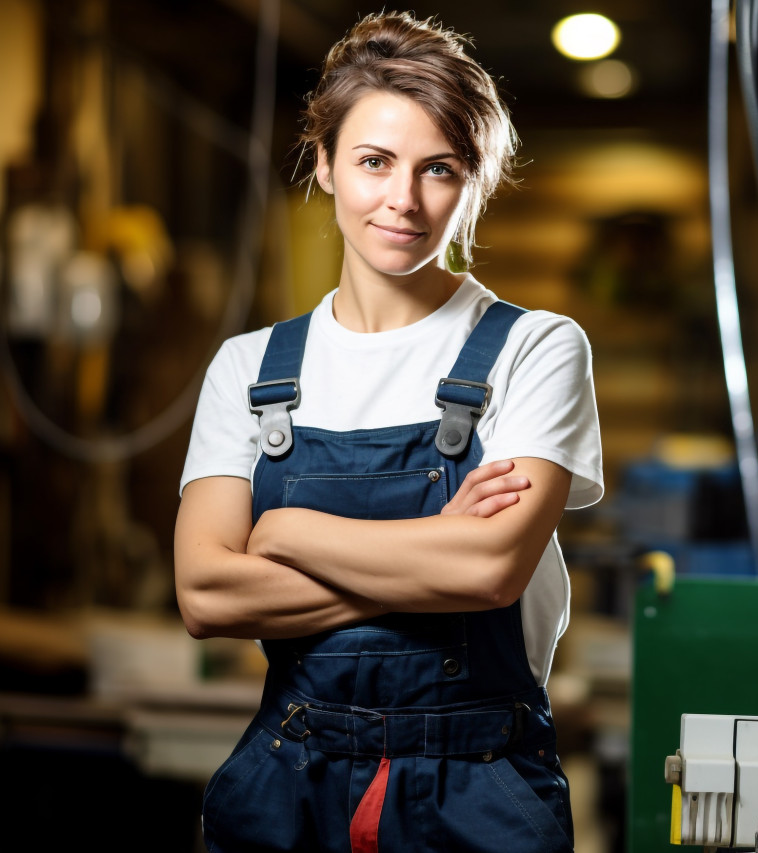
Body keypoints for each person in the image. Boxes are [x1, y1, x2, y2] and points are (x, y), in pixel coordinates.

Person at [173, 11, 603, 852]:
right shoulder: (250, 368)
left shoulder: (536, 347)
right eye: (374, 161)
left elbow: (489, 568)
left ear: (473, 182)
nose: (402, 200)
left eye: (437, 170)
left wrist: (287, 531)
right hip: (286, 783)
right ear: (326, 163)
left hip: (479, 788)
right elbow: (205, 594)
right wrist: (428, 550)